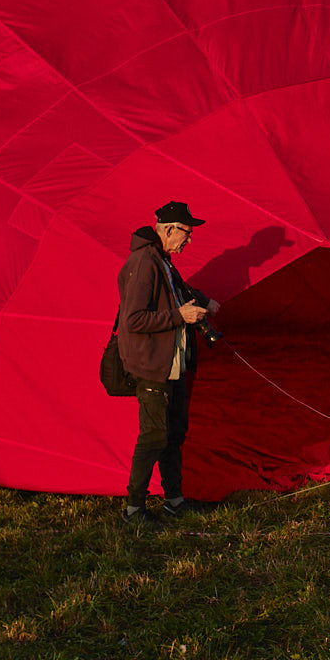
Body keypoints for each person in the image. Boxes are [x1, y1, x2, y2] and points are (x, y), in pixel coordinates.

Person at [117, 201, 220, 527]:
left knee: (174, 434)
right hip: (152, 366)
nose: (189, 241)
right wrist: (181, 317)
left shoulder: (162, 261)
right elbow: (133, 319)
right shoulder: (144, 263)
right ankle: (134, 511)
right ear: (168, 229)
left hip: (172, 363)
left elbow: (176, 295)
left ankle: (175, 502)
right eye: (186, 233)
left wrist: (203, 303)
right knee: (152, 438)